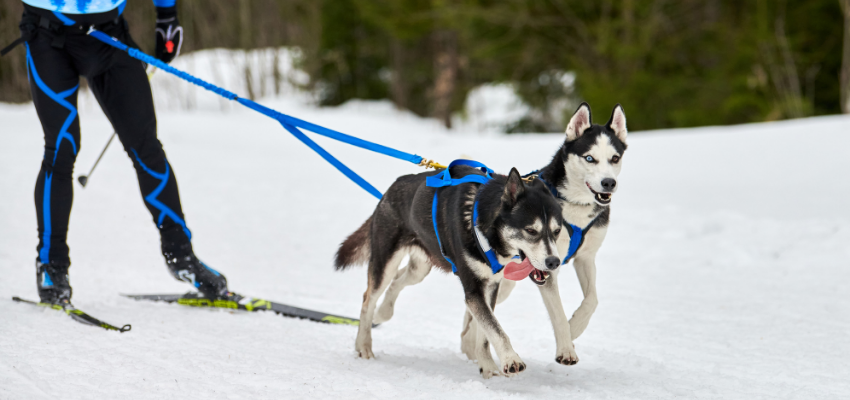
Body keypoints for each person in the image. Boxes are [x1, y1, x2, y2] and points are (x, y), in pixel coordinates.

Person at [2, 0, 230, 305]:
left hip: (109, 34)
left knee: (147, 147)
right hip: (48, 36)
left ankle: (182, 258)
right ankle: (51, 265)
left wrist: (166, 17)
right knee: (62, 149)